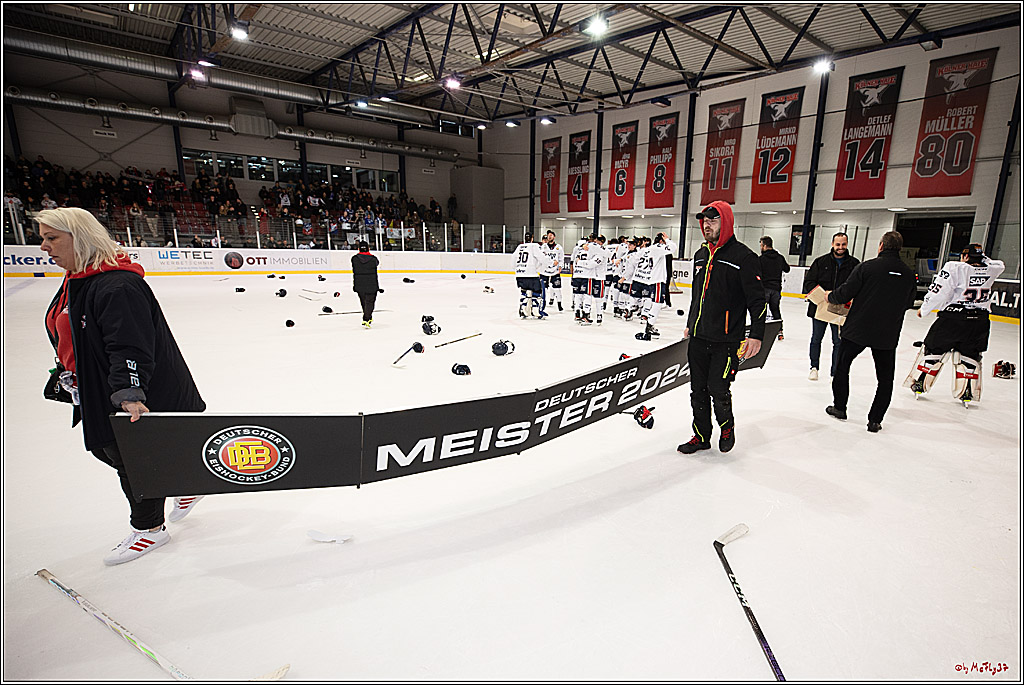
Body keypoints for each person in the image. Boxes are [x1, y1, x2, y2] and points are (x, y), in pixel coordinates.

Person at [37, 208, 206, 566]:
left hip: (134, 389)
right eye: (43, 237)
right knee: (109, 452)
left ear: (78, 237)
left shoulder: (117, 285)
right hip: (96, 384)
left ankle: (150, 529)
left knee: (130, 458)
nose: (44, 246)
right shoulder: (79, 279)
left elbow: (128, 344)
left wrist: (129, 393)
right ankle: (186, 482)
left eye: (52, 238)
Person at [679, 202, 766, 455]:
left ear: (726, 222)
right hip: (698, 337)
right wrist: (690, 323)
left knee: (718, 388)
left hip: (726, 341)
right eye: (704, 221)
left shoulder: (744, 257)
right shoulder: (700, 255)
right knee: (698, 390)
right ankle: (701, 435)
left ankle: (727, 427)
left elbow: (757, 301)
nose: (707, 225)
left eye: (713, 220)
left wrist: (756, 335)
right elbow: (698, 295)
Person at [825, 231, 916, 432]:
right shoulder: (909, 274)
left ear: (881, 246)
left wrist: (830, 297)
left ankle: (840, 407)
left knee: (842, 367)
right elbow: (909, 302)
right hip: (887, 333)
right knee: (885, 379)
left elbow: (846, 293)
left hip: (858, 329)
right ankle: (875, 420)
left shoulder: (867, 267)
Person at [904, 243, 1005, 404]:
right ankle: (967, 390)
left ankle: (920, 382)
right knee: (970, 356)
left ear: (965, 257)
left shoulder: (955, 268)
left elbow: (939, 291)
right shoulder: (992, 269)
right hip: (979, 321)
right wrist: (981, 257)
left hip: (953, 319)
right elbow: (998, 264)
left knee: (933, 350)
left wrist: (924, 309)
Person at [803, 232, 859, 381]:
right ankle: (814, 367)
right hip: (820, 309)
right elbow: (809, 283)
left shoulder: (854, 264)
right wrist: (823, 296)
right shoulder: (820, 262)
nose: (840, 247)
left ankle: (835, 372)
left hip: (841, 311)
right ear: (832, 244)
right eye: (838, 244)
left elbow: (858, 287)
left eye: (843, 244)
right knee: (816, 339)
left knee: (838, 342)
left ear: (847, 244)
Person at [633, 232, 677, 340]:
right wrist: (667, 240)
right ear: (661, 241)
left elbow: (635, 258)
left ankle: (650, 325)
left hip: (652, 279)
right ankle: (649, 327)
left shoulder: (648, 249)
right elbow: (673, 248)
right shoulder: (658, 247)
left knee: (655, 303)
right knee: (657, 303)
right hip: (657, 280)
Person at [759, 236, 790, 341]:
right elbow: (787, 269)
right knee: (775, 310)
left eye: (761, 245)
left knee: (762, 310)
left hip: (764, 288)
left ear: (764, 245)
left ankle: (760, 332)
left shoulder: (761, 259)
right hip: (776, 289)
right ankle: (780, 331)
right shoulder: (779, 258)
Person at [512, 233, 547, 319]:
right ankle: (536, 310)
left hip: (520, 274)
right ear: (532, 238)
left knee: (524, 291)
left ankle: (523, 307)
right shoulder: (534, 246)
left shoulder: (520, 247)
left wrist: (517, 269)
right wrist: (541, 266)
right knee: (537, 292)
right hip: (531, 274)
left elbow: (513, 258)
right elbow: (541, 258)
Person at [351, 240, 380, 328]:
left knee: (363, 301)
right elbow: (377, 264)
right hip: (371, 283)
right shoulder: (373, 259)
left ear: (359, 249)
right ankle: (366, 318)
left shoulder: (354, 259)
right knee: (370, 302)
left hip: (359, 283)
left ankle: (368, 316)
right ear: (369, 248)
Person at [539, 230, 564, 311]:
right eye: (548, 235)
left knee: (557, 288)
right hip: (544, 271)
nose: (549, 236)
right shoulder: (543, 247)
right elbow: (540, 258)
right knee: (543, 288)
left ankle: (559, 304)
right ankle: (543, 303)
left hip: (555, 271)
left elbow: (561, 258)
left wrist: (560, 266)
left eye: (551, 235)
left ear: (554, 237)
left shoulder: (558, 247)